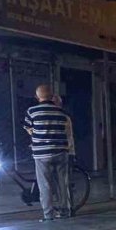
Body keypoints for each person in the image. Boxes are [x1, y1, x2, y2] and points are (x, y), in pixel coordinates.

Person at [23, 84, 71, 222]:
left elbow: (28, 128)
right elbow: (65, 129)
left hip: (41, 153)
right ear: (52, 96)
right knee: (63, 182)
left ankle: (48, 214)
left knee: (45, 184)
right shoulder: (61, 112)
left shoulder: (32, 111)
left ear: (37, 97)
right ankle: (64, 211)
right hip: (61, 151)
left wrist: (36, 136)